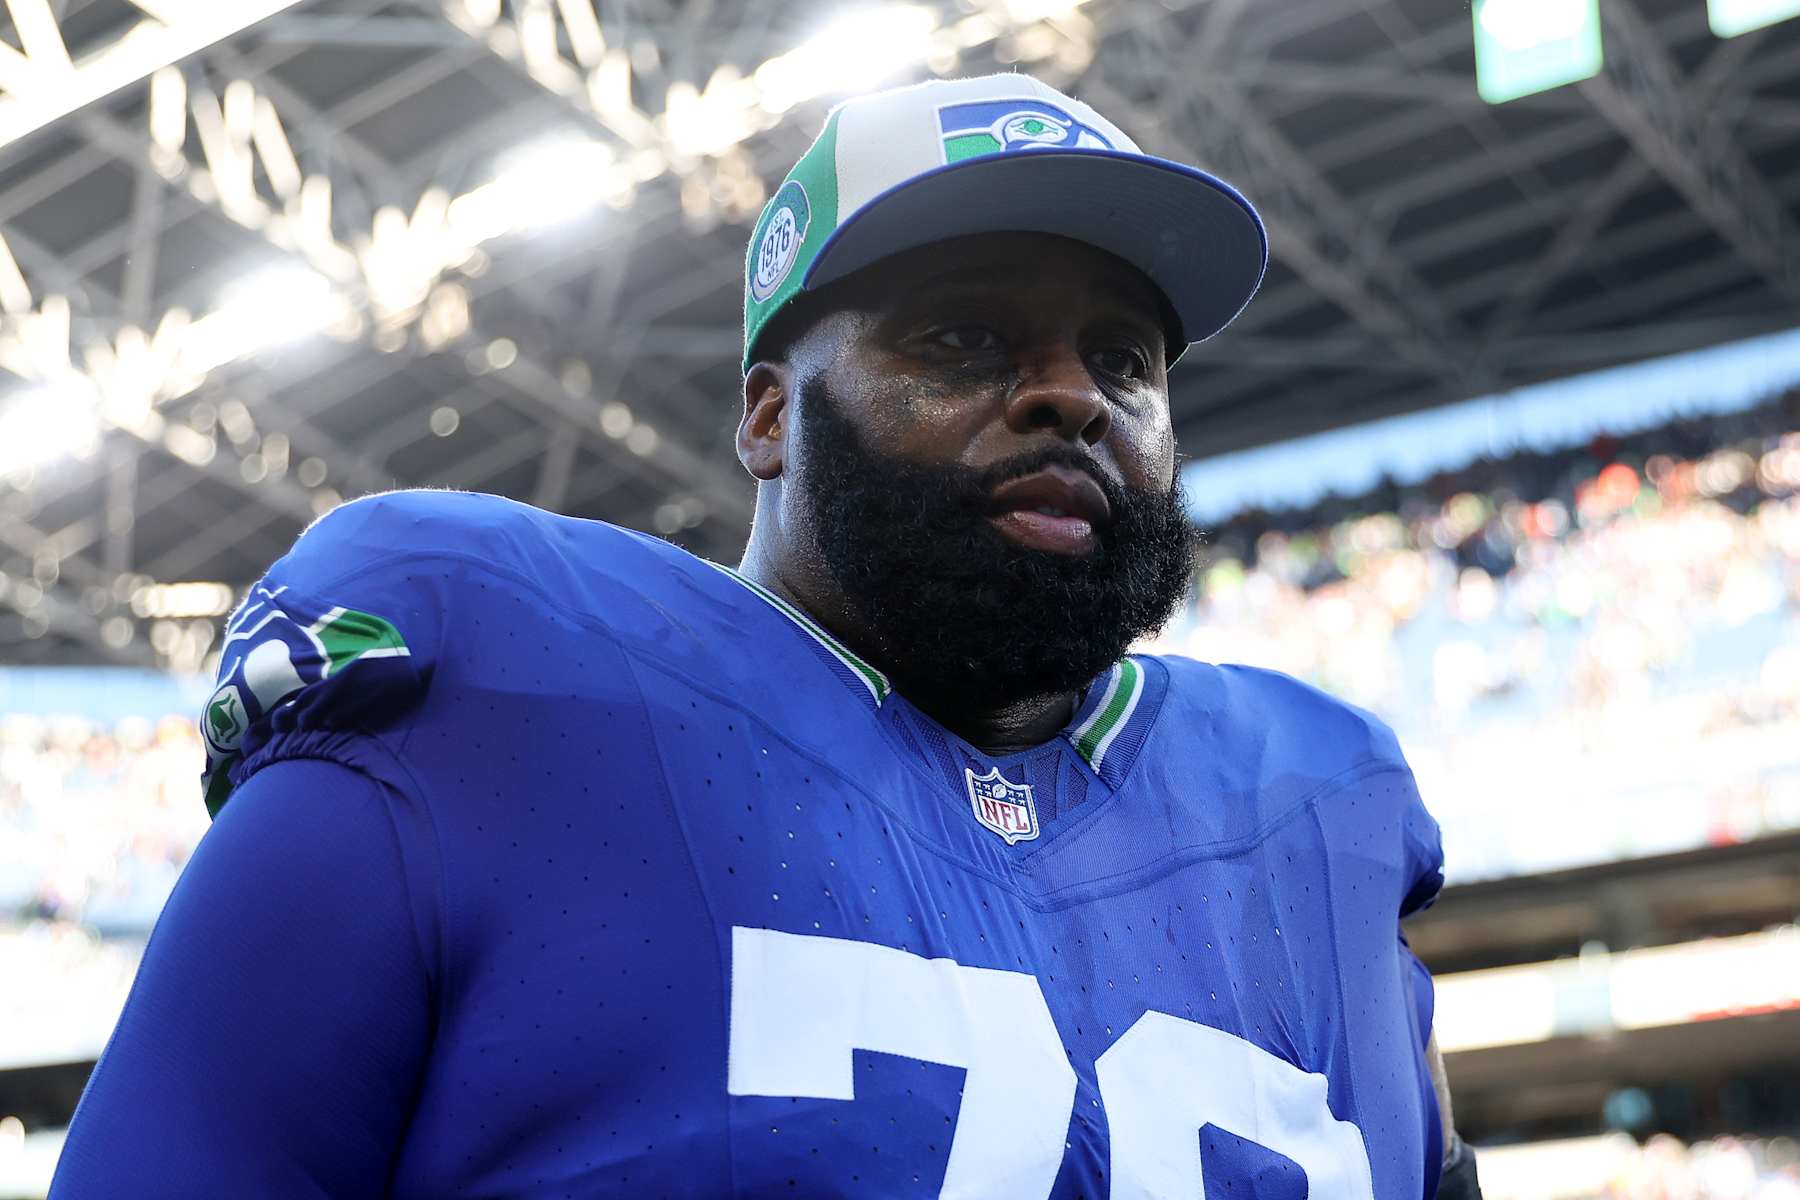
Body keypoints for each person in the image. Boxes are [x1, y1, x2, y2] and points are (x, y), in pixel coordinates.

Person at [51, 73, 1478, 1198]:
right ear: (768, 414)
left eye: (1125, 361)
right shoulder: (485, 700)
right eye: (963, 343)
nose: (1071, 398)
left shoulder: (1316, 818)